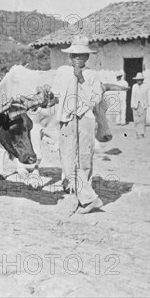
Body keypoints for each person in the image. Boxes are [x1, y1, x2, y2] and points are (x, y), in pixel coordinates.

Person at [51, 35, 104, 214]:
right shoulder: (62, 72)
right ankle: (89, 198)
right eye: (74, 55)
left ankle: (84, 200)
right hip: (67, 119)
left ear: (87, 57)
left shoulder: (92, 75)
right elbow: (55, 94)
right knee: (67, 160)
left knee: (84, 159)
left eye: (81, 55)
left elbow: (95, 99)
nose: (77, 58)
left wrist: (81, 79)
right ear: (69, 57)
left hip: (86, 119)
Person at [131, 72, 150, 138]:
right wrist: (132, 105)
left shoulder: (145, 86)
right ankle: (137, 132)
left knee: (142, 119)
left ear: (142, 80)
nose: (139, 81)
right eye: (138, 79)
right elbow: (132, 96)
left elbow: (148, 93)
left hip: (143, 104)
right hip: (135, 104)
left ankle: (142, 133)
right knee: (136, 120)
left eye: (140, 79)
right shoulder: (134, 86)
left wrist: (146, 105)